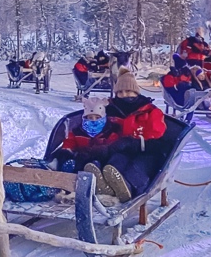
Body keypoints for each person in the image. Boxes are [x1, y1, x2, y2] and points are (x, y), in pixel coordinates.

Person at [83, 69, 169, 203]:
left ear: (136, 92)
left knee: (138, 167)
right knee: (114, 163)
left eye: (128, 91)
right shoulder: (110, 110)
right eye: (120, 92)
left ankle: (130, 188)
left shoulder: (150, 112)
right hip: (120, 151)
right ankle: (107, 188)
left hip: (146, 153)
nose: (124, 95)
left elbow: (158, 141)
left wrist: (134, 143)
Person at [47, 97, 117, 174]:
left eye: (97, 117)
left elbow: (111, 147)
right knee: (65, 154)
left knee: (97, 159)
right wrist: (67, 150)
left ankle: (93, 171)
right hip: (79, 158)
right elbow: (70, 142)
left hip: (99, 159)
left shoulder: (110, 131)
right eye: (90, 117)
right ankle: (63, 167)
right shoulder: (77, 131)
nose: (93, 120)